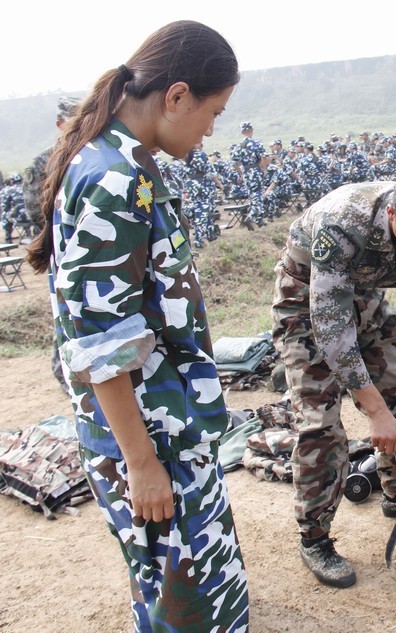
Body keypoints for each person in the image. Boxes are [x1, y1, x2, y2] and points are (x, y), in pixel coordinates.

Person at [24, 20, 249, 631]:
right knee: (185, 596)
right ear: (176, 96)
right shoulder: (114, 180)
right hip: (152, 438)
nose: (209, 132)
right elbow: (102, 347)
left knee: (179, 584)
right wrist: (142, 464)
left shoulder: (120, 164)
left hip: (166, 428)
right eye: (214, 112)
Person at [271, 157, 396, 589]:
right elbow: (331, 328)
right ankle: (315, 538)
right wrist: (372, 410)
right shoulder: (343, 222)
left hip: (366, 299)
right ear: (394, 212)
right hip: (308, 305)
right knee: (321, 426)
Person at [22, 96, 79, 394]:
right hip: (60, 246)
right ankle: (65, 374)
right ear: (60, 124)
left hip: (83, 247)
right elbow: (34, 210)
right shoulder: (44, 162)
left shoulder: (87, 155)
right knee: (65, 311)